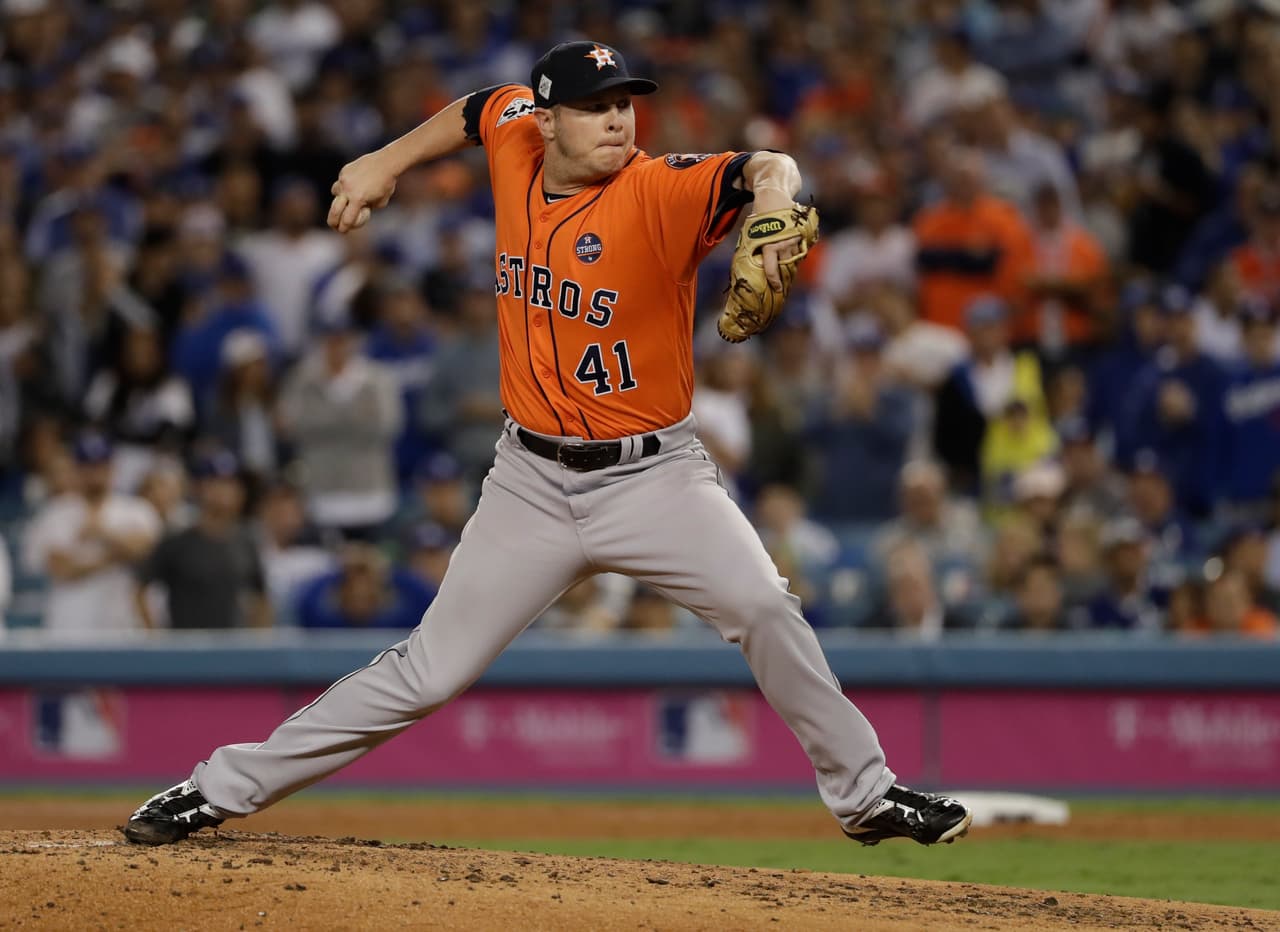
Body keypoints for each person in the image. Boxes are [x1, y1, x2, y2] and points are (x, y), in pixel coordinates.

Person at [123, 40, 970, 848]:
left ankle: (864, 795)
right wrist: (385, 161)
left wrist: (779, 201)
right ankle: (216, 789)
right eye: (596, 107)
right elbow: (476, 108)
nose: (618, 121)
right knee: (429, 672)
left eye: (625, 105)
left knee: (762, 607)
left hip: (656, 476)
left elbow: (762, 169)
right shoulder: (517, 139)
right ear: (550, 118)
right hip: (528, 479)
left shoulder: (659, 192)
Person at [21, 432, 160, 636]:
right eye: (87, 464)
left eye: (101, 464)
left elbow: (146, 551)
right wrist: (116, 556)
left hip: (123, 628)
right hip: (69, 628)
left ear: (113, 466)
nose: (95, 472)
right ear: (76, 468)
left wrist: (102, 533)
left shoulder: (138, 511)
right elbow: (62, 569)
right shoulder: (55, 513)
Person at [135, 450, 271, 631]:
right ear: (199, 488)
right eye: (218, 482)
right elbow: (140, 590)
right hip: (186, 648)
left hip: (232, 647)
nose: (227, 490)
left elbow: (261, 596)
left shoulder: (246, 542)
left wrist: (258, 639)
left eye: (232, 483)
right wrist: (156, 639)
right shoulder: (177, 541)